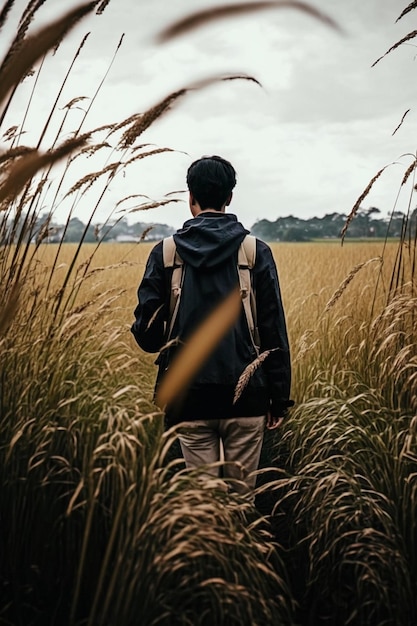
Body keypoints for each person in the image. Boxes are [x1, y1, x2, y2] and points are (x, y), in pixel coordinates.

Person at [131, 155, 293, 494]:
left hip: (189, 400)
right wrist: (279, 399)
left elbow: (147, 337)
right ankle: (240, 547)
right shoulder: (255, 251)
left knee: (205, 511)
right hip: (248, 399)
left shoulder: (165, 253)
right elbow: (273, 330)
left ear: (190, 197)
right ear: (229, 197)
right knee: (239, 502)